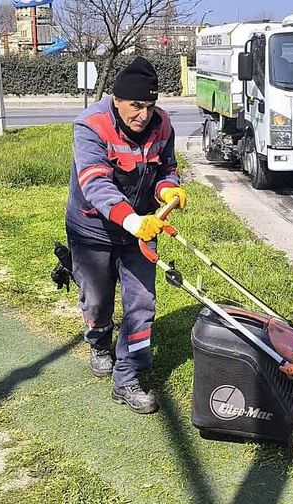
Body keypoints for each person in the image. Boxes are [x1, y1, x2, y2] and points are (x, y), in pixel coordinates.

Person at [65, 56, 187, 414]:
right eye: (136, 105)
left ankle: (127, 377)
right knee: (97, 301)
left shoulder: (162, 124)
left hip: (141, 231)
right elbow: (95, 183)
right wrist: (132, 220)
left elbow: (167, 167)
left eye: (150, 106)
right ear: (116, 100)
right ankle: (99, 342)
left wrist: (168, 191)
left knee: (141, 305)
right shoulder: (91, 125)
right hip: (93, 230)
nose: (143, 115)